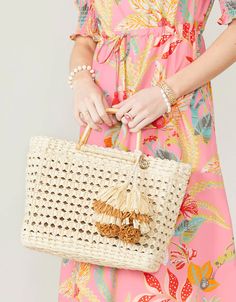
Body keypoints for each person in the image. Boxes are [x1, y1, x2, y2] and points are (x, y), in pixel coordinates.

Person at [58, 0, 236, 301]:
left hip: (174, 116)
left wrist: (167, 92)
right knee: (104, 245)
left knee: (175, 248)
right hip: (108, 119)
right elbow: (87, 35)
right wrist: (82, 82)